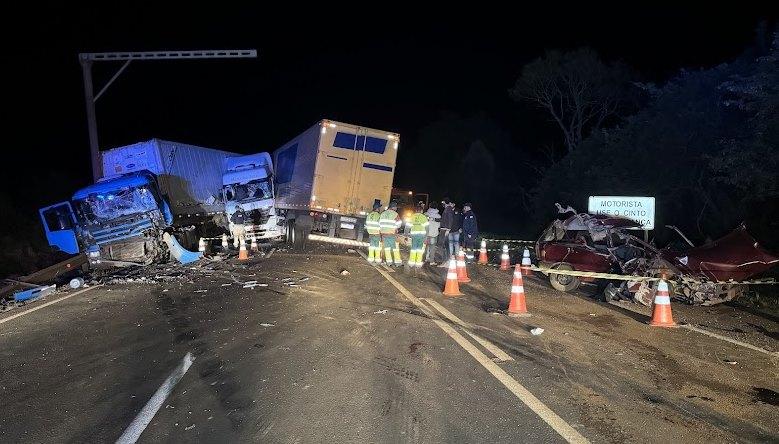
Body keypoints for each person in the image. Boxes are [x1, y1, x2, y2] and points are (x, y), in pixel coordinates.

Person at [379, 201, 403, 266]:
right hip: (391, 233)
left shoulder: (383, 214)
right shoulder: (395, 214)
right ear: (394, 207)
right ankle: (397, 263)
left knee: (386, 248)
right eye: (396, 207)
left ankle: (389, 262)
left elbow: (379, 223)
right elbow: (399, 224)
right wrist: (395, 228)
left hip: (383, 233)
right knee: (394, 248)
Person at [408, 201, 429, 268]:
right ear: (421, 211)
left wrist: (406, 235)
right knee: (419, 249)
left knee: (413, 248)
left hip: (414, 235)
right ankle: (418, 263)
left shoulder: (412, 216)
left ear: (416, 210)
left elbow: (407, 226)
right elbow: (427, 228)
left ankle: (411, 263)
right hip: (421, 235)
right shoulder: (424, 217)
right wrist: (426, 236)